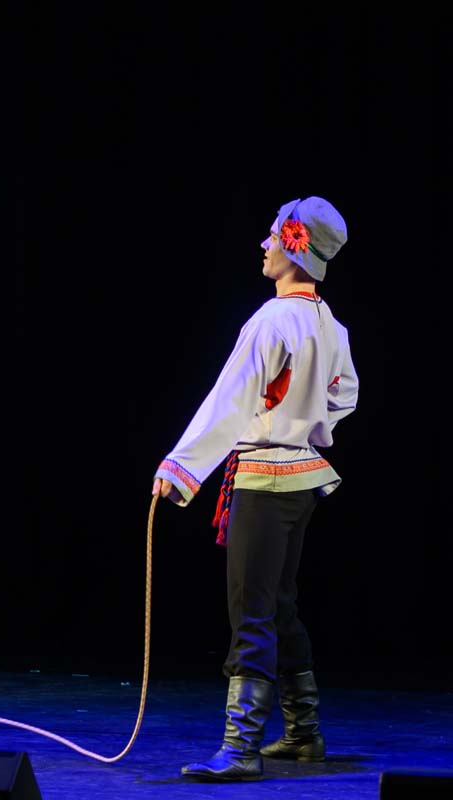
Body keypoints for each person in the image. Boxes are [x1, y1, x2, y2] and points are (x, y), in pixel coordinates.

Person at [152, 196, 358, 781]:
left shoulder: (271, 321)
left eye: (273, 236)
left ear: (294, 248)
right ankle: (304, 735)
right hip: (302, 481)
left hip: (266, 480)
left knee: (252, 611)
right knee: (279, 605)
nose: (264, 245)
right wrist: (307, 424)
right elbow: (344, 394)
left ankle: (242, 747)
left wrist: (180, 467)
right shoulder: (329, 323)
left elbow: (231, 401)